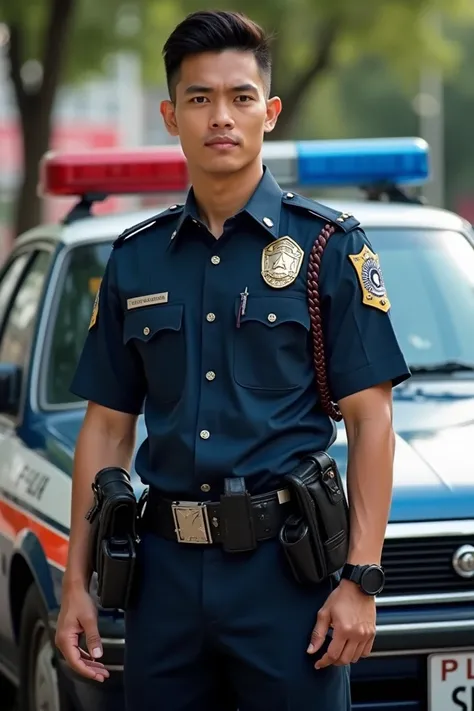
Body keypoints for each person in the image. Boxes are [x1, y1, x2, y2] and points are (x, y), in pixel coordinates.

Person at [55, 9, 411, 711]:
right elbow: (105, 428)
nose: (222, 115)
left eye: (241, 97)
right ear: (170, 115)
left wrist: (361, 579)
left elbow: (374, 422)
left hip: (289, 580)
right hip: (163, 579)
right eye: (199, 98)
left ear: (269, 112)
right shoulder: (135, 258)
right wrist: (76, 583)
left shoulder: (327, 248)